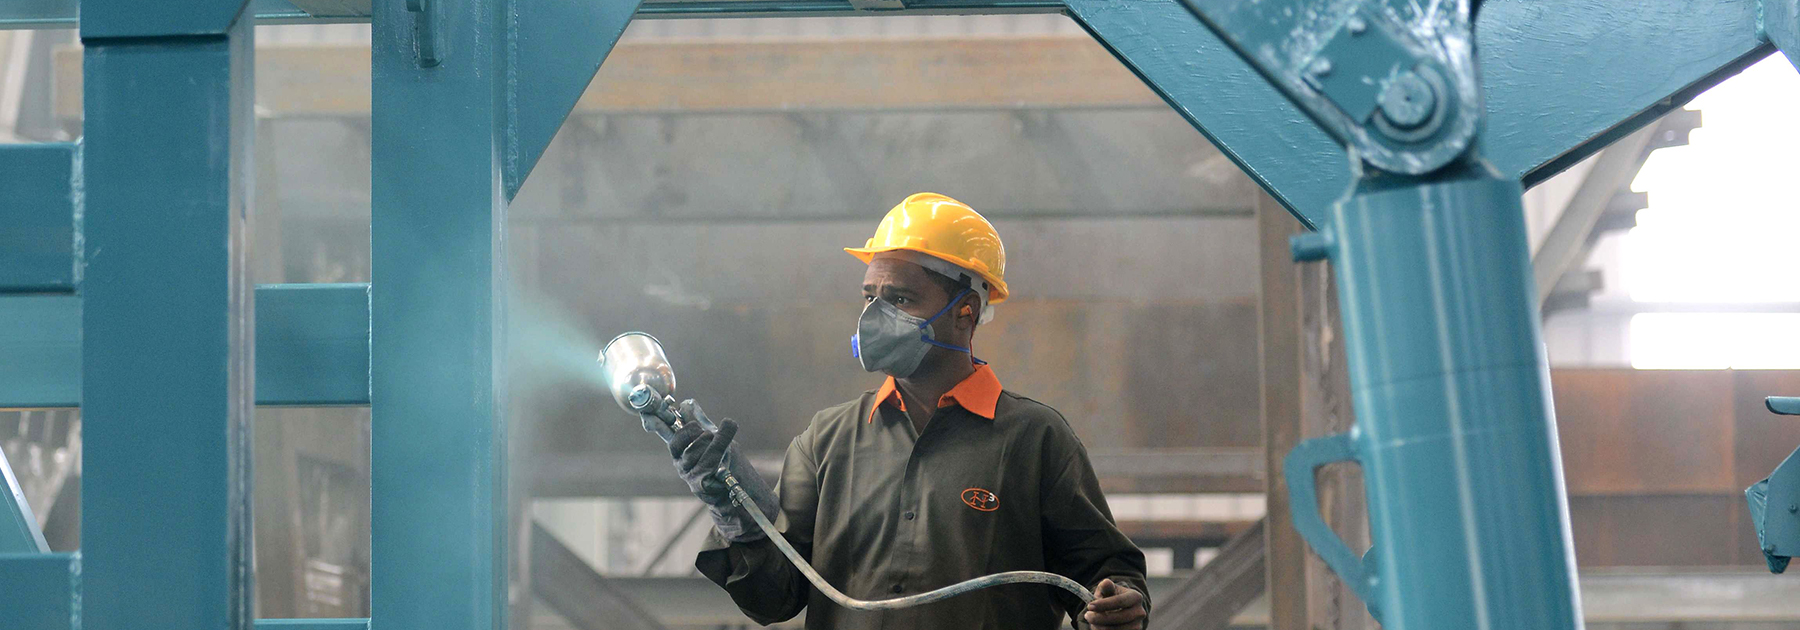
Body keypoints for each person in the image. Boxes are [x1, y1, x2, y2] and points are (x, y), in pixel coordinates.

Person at [668, 193, 1150, 630]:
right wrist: (734, 509)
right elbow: (774, 599)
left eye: (900, 298)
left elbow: (1105, 577)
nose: (875, 316)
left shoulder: (1035, 439)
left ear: (966, 309)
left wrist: (1119, 604)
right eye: (869, 297)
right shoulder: (827, 439)